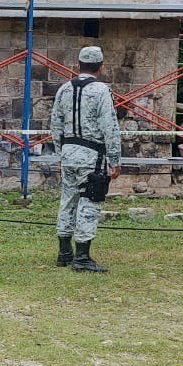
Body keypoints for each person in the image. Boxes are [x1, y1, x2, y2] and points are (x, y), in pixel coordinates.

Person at [51, 46, 121, 273]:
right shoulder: (101, 91)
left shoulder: (63, 90)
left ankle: (64, 251)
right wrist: (114, 159)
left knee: (68, 200)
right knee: (89, 201)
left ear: (77, 65)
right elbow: (109, 127)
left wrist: (61, 152)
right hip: (92, 156)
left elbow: (55, 125)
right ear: (101, 67)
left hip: (69, 153)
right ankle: (82, 256)